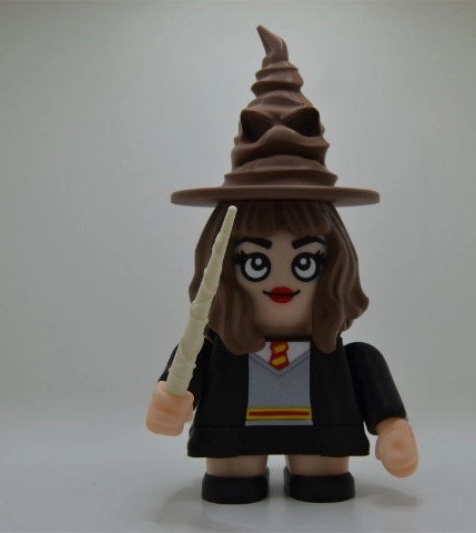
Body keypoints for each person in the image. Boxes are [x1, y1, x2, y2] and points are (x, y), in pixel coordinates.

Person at [145, 27, 418, 504]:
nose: (281, 280)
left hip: (321, 437)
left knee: (324, 478)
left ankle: (314, 478)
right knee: (231, 479)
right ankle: (239, 479)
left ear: (336, 268)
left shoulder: (341, 357)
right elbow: (182, 378)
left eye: (306, 262)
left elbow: (372, 387)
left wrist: (392, 427)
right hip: (233, 435)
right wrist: (170, 400)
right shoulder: (214, 353)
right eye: (255, 262)